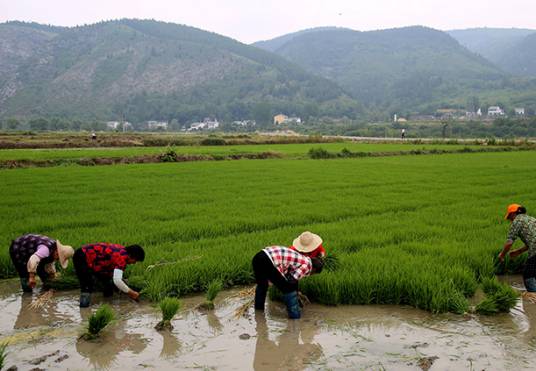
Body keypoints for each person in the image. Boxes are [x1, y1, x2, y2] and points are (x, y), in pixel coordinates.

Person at [252, 243, 324, 319]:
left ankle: (259, 314)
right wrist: (295, 296)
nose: (310, 275)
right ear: (314, 269)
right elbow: (291, 280)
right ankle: (295, 317)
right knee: (288, 289)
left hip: (258, 258)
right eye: (313, 273)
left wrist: (297, 292)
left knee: (262, 286)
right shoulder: (307, 265)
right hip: (268, 260)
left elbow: (291, 277)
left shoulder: (302, 259)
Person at [73, 242, 145, 307]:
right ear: (130, 255)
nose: (134, 263)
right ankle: (84, 311)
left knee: (108, 282)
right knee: (87, 285)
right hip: (82, 257)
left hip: (97, 263)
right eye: (135, 260)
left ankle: (107, 305)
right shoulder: (121, 258)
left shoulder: (122, 251)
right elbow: (117, 281)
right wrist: (131, 293)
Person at [9, 234, 74, 292]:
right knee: (25, 276)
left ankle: (45, 288)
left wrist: (52, 276)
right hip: (19, 250)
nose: (57, 260)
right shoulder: (45, 249)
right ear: (57, 253)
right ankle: (27, 293)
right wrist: (32, 277)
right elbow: (33, 259)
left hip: (33, 252)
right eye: (58, 258)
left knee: (44, 274)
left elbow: (50, 263)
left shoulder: (53, 249)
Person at [498, 204, 536, 298]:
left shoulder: (516, 222)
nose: (510, 220)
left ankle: (533, 298)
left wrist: (502, 255)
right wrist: (519, 251)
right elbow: (531, 240)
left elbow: (509, 242)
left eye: (509, 217)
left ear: (512, 214)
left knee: (528, 274)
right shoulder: (531, 219)